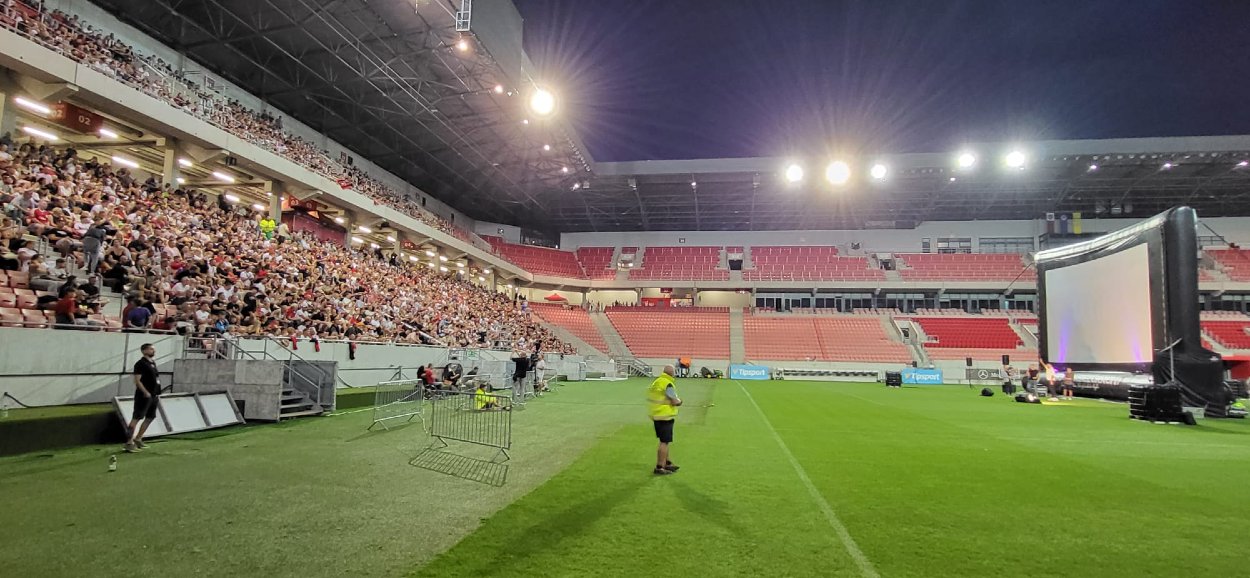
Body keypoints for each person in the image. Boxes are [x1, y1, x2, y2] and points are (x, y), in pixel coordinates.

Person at [647, 365, 682, 476]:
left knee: (664, 441)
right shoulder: (668, 384)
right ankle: (660, 467)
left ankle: (667, 462)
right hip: (665, 416)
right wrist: (680, 401)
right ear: (672, 373)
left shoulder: (657, 382)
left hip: (656, 415)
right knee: (664, 442)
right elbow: (674, 401)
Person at [125, 343, 161, 453]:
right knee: (137, 417)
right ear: (144, 351)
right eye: (151, 349)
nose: (153, 351)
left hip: (154, 395)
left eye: (153, 349)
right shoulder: (140, 364)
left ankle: (138, 438)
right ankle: (128, 442)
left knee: (150, 417)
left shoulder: (152, 363)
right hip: (144, 396)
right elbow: (137, 380)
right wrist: (145, 392)